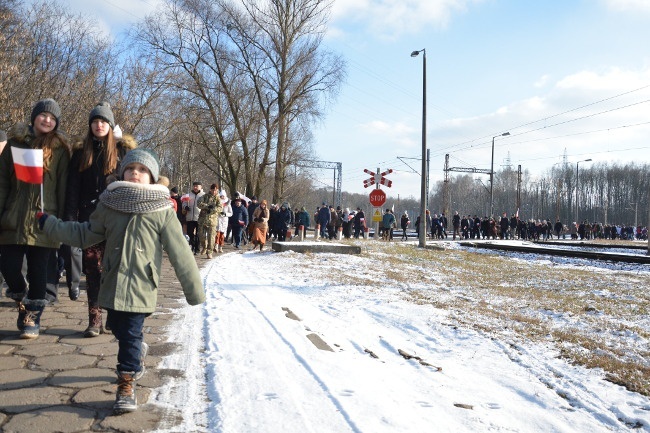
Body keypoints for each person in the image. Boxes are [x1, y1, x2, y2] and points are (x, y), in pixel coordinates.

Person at [39, 148, 205, 414]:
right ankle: (136, 351)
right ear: (122, 173)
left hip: (141, 283)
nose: (135, 173)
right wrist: (51, 225)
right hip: (113, 279)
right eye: (130, 169)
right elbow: (85, 234)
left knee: (128, 333)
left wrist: (194, 290)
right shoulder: (109, 204)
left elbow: (180, 251)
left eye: (142, 170)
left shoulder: (161, 208)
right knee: (117, 327)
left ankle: (126, 384)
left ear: (151, 177)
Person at [64, 102, 137, 337]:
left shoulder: (122, 153)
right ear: (90, 125)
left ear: (110, 125)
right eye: (95, 121)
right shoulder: (79, 153)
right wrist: (69, 217)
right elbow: (72, 188)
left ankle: (113, 316)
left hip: (116, 220)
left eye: (103, 121)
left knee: (114, 269)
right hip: (89, 220)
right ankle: (94, 319)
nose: (99, 125)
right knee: (93, 270)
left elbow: (132, 186)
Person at [0, 98, 70, 339]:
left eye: (52, 117)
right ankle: (20, 295)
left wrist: (61, 223)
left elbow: (63, 187)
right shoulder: (15, 144)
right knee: (8, 267)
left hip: (44, 219)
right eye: (43, 115)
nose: (47, 119)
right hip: (14, 217)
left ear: (57, 122)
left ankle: (32, 316)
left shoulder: (61, 150)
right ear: (34, 117)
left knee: (39, 272)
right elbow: (3, 182)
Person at [197, 183, 223, 259]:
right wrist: (207, 206)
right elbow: (199, 203)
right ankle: (204, 247)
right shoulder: (204, 196)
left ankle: (209, 252)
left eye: (216, 190)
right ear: (210, 189)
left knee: (211, 238)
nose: (214, 191)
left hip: (212, 220)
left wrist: (212, 209)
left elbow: (220, 208)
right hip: (203, 219)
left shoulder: (218, 198)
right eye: (213, 190)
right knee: (201, 235)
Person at [184, 181, 204, 254]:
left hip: (200, 217)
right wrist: (185, 206)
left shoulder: (203, 195)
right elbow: (184, 202)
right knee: (190, 233)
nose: (195, 187)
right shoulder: (189, 195)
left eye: (197, 186)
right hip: (190, 217)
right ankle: (192, 245)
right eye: (194, 186)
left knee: (198, 234)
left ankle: (197, 249)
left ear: (201, 187)